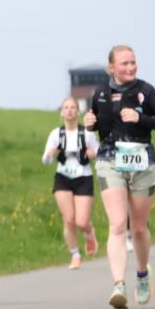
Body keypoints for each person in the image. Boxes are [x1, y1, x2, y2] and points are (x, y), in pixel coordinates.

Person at [84, 45, 155, 309]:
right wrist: (90, 122)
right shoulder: (100, 93)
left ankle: (143, 273)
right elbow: (101, 128)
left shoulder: (146, 91)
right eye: (124, 63)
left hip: (143, 161)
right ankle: (118, 285)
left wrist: (140, 117)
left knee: (137, 227)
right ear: (111, 67)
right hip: (110, 160)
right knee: (117, 225)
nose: (131, 67)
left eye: (133, 62)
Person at [42, 97, 99, 269]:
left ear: (78, 111)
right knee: (68, 220)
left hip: (83, 177)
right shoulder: (55, 134)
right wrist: (49, 155)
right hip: (63, 178)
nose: (69, 110)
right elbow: (45, 160)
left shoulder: (87, 133)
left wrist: (93, 155)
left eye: (73, 107)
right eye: (66, 107)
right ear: (61, 112)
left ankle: (89, 233)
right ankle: (75, 255)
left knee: (81, 221)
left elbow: (100, 156)